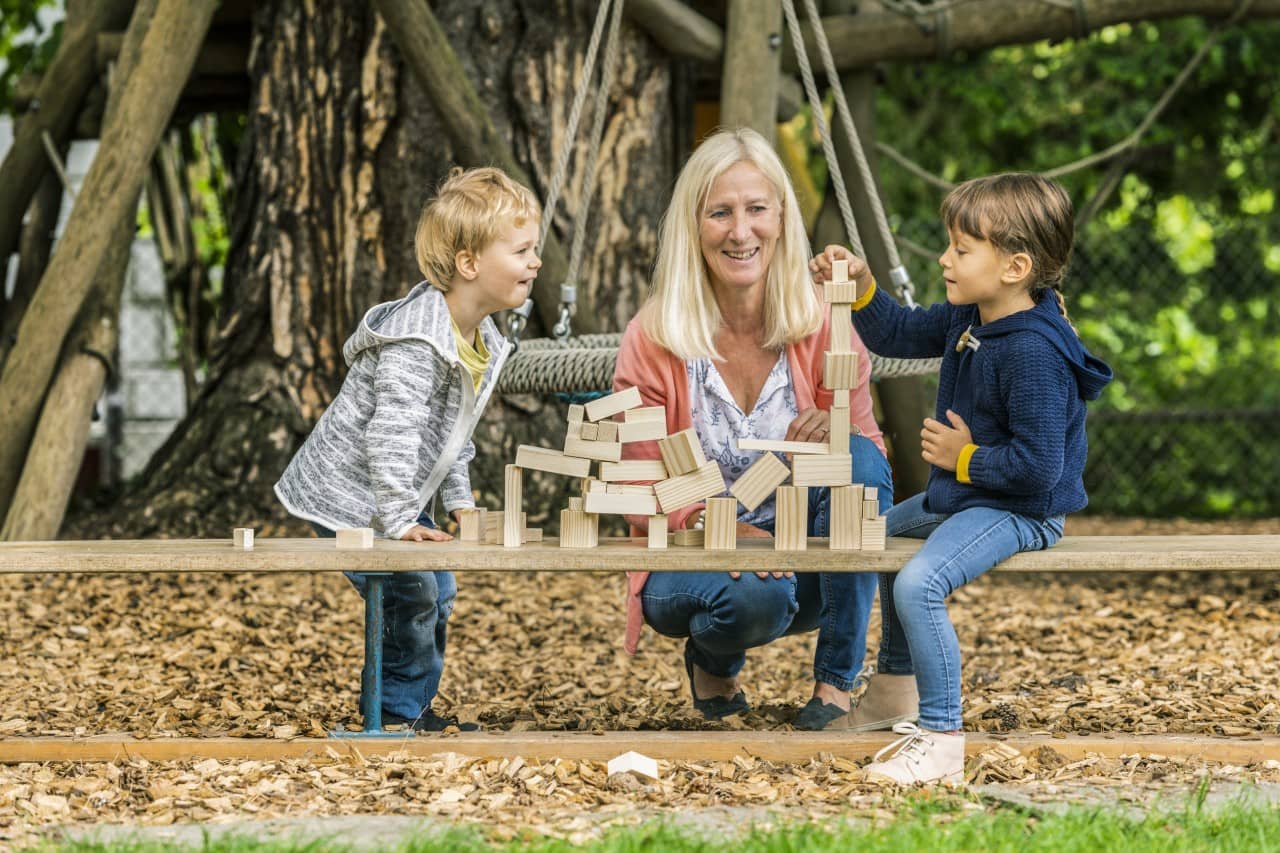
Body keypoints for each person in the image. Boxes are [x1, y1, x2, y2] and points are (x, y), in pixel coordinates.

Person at [810, 172, 1112, 784]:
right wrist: (865, 287)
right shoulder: (969, 316)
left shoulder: (1032, 353)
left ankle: (943, 738)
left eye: (961, 249)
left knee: (919, 582)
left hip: (1022, 509)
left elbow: (1038, 468)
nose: (945, 258)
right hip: (972, 497)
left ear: (1015, 266)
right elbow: (896, 332)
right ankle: (896, 689)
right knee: (876, 540)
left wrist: (964, 457)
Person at [612, 127, 893, 729]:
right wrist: (722, 525)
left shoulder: (823, 324)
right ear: (695, 225)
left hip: (805, 555)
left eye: (756, 209)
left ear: (782, 218)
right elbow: (640, 487)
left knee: (861, 464)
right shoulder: (654, 337)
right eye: (721, 213)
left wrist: (839, 436)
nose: (741, 232)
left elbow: (869, 462)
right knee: (753, 596)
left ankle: (834, 686)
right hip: (690, 557)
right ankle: (713, 658)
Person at [274, 167, 542, 731]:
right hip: (348, 496)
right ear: (470, 264)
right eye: (521, 250)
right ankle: (393, 715)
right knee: (414, 589)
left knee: (437, 589)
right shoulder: (416, 341)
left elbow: (452, 436)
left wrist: (459, 502)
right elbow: (391, 433)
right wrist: (401, 520)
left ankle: (406, 707)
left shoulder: (481, 340)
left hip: (390, 493)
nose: (535, 262)